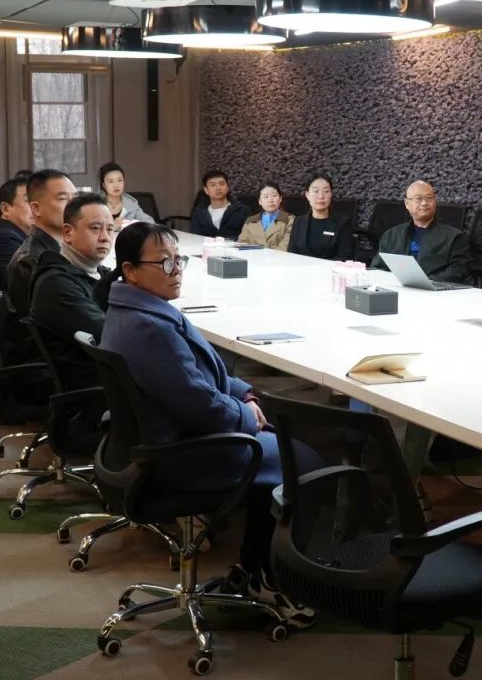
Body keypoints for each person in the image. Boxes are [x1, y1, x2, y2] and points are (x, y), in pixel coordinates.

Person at [96, 222, 319, 627]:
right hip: (183, 452)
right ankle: (267, 577)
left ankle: (254, 566)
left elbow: (199, 376)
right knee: (299, 460)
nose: (176, 270)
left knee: (284, 446)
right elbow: (200, 402)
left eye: (178, 260)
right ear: (130, 270)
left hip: (163, 440)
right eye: (164, 263)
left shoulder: (135, 309)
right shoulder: (149, 328)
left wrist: (244, 394)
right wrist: (246, 416)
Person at [29, 194, 112, 390]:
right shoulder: (56, 283)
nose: (105, 237)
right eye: (95, 228)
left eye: (110, 229)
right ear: (67, 232)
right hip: (91, 387)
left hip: (106, 377)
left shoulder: (99, 272)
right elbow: (109, 334)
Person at [370, 180, 471, 283]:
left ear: (435, 201)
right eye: (418, 198)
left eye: (429, 198)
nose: (424, 203)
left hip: (436, 289)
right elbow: (378, 268)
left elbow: (459, 269)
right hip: (397, 288)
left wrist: (429, 282)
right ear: (407, 204)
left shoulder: (454, 237)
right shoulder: (391, 236)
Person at [5, 169, 74, 317]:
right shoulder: (30, 260)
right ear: (36, 209)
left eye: (74, 198)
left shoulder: (64, 248)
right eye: (63, 198)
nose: (73, 206)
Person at [287, 172, 353, 260]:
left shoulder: (343, 223)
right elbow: (291, 254)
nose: (321, 196)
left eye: (326, 191)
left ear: (331, 194)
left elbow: (343, 258)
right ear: (307, 195)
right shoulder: (299, 221)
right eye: (316, 191)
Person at [189, 170, 248, 240]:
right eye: (213, 185)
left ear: (228, 187)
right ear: (206, 190)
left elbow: (248, 237)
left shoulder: (242, 210)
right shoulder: (199, 213)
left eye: (222, 184)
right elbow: (194, 238)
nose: (218, 188)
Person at [238, 181, 295, 250]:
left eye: (274, 196)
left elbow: (286, 246)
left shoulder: (289, 220)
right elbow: (242, 244)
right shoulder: (250, 221)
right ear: (259, 201)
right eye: (265, 197)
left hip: (278, 256)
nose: (270, 200)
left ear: (280, 198)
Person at [98, 161, 154, 230]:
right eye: (111, 181)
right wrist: (111, 226)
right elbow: (89, 228)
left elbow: (151, 222)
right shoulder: (95, 204)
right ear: (103, 185)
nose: (116, 185)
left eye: (120, 180)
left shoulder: (131, 204)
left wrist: (130, 224)